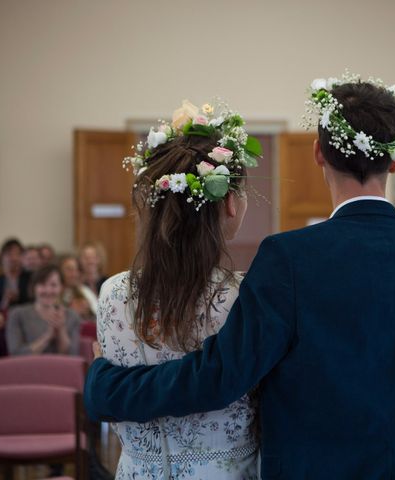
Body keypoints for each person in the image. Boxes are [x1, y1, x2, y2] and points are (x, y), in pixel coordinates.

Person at [84, 75, 395, 479]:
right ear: (394, 161)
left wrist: (106, 386)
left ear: (318, 153)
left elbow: (219, 377)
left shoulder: (288, 258)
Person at [94, 100, 261, 479]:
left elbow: (118, 387)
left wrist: (98, 377)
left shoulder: (112, 294)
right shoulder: (245, 295)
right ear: (231, 204)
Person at [6, 265, 80, 355]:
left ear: (61, 288)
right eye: (42, 284)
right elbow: (16, 354)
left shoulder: (72, 316)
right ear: (34, 287)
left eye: (53, 285)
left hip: (61, 368)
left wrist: (61, 330)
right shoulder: (17, 314)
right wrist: (47, 337)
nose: (48, 291)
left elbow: (73, 357)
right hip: (28, 368)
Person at [0, 238, 32, 311]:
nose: (14, 258)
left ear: (22, 257)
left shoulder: (30, 278)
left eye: (17, 254)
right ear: (2, 257)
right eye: (9, 254)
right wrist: (4, 302)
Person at [60, 255, 98, 323]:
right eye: (69, 269)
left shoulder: (86, 292)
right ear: (60, 271)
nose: (74, 274)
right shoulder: (54, 292)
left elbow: (98, 318)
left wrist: (87, 313)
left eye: (76, 270)